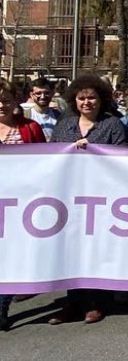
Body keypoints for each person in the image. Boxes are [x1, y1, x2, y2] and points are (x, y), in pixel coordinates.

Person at [48, 74, 128, 325]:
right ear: (74, 100)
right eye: (82, 98)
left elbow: (121, 155)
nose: (87, 102)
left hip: (102, 196)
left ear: (101, 99)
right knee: (72, 248)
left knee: (97, 248)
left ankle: (97, 302)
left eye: (92, 97)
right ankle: (73, 301)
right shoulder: (65, 124)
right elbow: (51, 155)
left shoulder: (112, 124)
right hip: (69, 196)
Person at [0, 80, 46, 332]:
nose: (1, 105)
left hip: (21, 205)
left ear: (15, 101)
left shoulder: (30, 128)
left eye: (6, 100)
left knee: (10, 259)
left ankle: (2, 307)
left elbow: (46, 160)